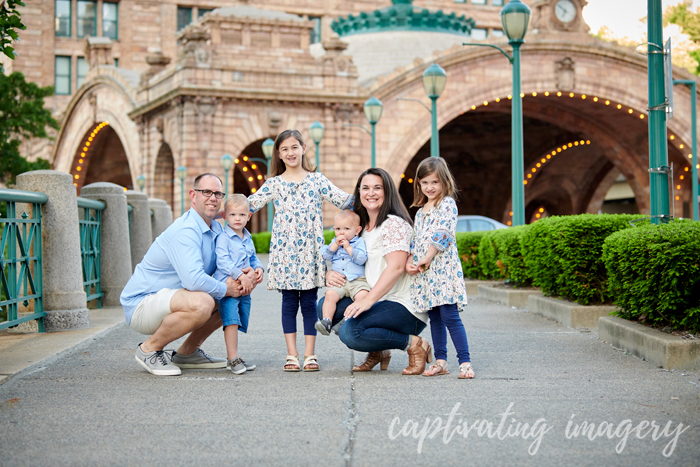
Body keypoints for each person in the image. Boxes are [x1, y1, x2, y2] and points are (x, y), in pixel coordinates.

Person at [120, 173, 249, 376]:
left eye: (217, 193)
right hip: (142, 304)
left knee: (230, 298)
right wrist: (227, 288)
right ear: (193, 195)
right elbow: (194, 280)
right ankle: (149, 349)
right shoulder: (186, 230)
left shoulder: (215, 226)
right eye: (206, 192)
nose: (213, 198)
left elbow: (227, 263)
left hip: (172, 298)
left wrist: (248, 274)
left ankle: (186, 354)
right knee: (206, 301)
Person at [248, 129, 353, 372]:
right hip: (285, 255)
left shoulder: (318, 180)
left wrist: (374, 197)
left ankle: (309, 354)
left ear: (304, 148)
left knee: (307, 303)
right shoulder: (274, 184)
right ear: (279, 155)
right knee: (288, 303)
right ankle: (291, 354)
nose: (290, 152)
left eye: (294, 147)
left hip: (311, 254)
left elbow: (345, 200)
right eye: (284, 149)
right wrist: (220, 207)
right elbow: (248, 205)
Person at [318, 167, 434, 375]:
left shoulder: (393, 224)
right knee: (325, 307)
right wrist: (331, 273)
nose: (371, 193)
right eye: (365, 188)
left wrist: (368, 300)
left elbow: (397, 267)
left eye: (377, 188)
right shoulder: (360, 227)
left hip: (404, 306)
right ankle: (378, 350)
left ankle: (415, 343)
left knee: (351, 333)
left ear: (387, 191)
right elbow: (347, 259)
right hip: (377, 299)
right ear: (359, 192)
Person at [406, 158, 474, 379]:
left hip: (443, 270)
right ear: (419, 184)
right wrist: (412, 261)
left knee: (449, 316)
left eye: (434, 182)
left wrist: (428, 256)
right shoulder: (420, 211)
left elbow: (443, 233)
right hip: (427, 274)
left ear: (444, 181)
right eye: (425, 182)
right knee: (434, 317)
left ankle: (465, 362)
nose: (430, 187)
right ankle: (440, 361)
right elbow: (416, 241)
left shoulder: (447, 204)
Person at [213, 194, 264, 375]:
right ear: (225, 216)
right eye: (233, 215)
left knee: (241, 317)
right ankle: (232, 358)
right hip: (229, 287)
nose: (237, 218)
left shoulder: (247, 237)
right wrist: (239, 276)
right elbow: (223, 262)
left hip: (244, 289)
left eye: (242, 215)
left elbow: (252, 257)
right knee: (231, 321)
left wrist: (258, 269)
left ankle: (233, 357)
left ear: (248, 216)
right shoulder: (223, 238)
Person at [315, 210, 369, 336]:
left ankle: (346, 321)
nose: (341, 232)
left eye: (346, 228)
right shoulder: (335, 243)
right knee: (330, 295)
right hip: (340, 281)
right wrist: (334, 245)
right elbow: (325, 255)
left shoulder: (359, 242)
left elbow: (362, 259)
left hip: (357, 281)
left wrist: (349, 248)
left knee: (362, 297)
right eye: (338, 228)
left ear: (357, 230)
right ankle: (326, 321)